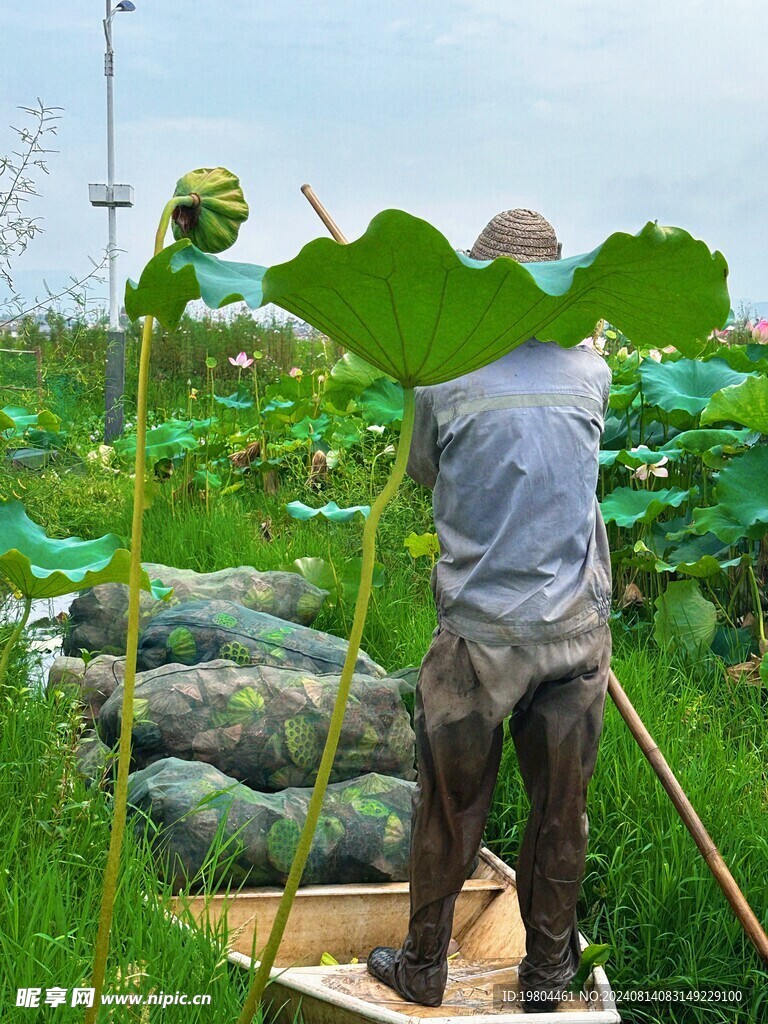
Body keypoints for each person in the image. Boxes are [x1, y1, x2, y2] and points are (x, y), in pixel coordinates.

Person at [366, 209, 613, 1013]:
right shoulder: (592, 375)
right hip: (575, 632)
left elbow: (426, 476)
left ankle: (424, 969)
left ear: (481, 282)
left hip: (478, 635)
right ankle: (545, 979)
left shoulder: (442, 384)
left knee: (448, 805)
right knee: (560, 813)